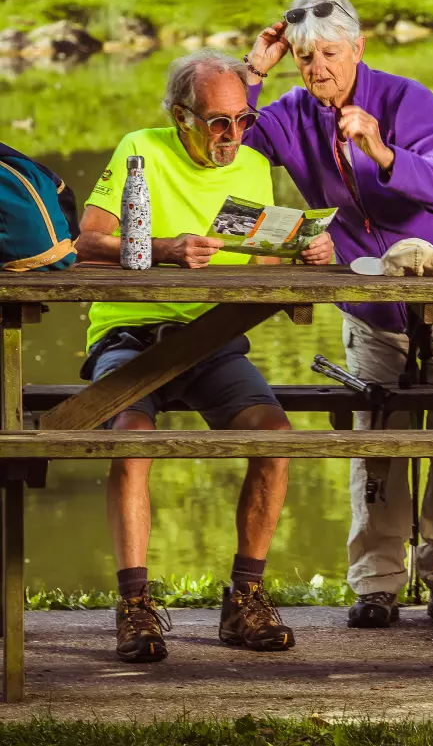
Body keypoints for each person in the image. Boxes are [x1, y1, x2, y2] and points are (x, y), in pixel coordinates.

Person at [244, 0, 433, 629]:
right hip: (372, 307)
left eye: (329, 53)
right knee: (376, 444)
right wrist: (253, 70)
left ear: (358, 48)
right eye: (304, 58)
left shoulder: (405, 99)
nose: (317, 68)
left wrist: (384, 151)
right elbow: (224, 142)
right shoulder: (292, 114)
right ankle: (378, 585)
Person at [76, 50, 333, 662]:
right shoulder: (140, 147)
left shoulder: (250, 166)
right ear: (180, 113)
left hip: (213, 341)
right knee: (131, 441)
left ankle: (244, 600)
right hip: (132, 336)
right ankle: (135, 607)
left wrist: (304, 249)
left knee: (275, 438)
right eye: (220, 122)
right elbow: (84, 242)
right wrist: (162, 248)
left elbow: (259, 259)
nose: (234, 136)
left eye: (244, 120)